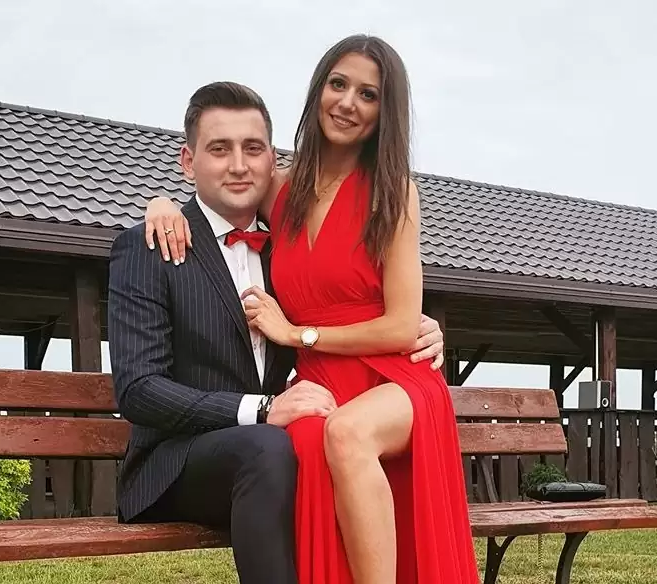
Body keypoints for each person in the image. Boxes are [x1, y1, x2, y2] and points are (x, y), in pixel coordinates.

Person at [141, 35, 479, 584]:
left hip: (395, 380)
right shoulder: (279, 190)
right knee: (302, 442)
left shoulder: (394, 192)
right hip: (320, 386)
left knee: (345, 433)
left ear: (385, 111)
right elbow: (216, 195)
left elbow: (400, 326)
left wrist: (299, 335)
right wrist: (160, 204)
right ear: (319, 89)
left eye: (368, 94)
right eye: (338, 84)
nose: (347, 103)